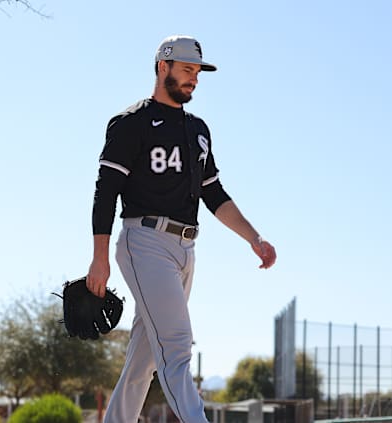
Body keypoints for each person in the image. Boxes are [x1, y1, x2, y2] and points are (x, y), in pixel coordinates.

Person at [86, 35, 277, 423]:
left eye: (197, 72)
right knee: (176, 348)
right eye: (187, 69)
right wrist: (100, 260)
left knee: (144, 359)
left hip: (185, 250)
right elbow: (105, 192)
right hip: (144, 241)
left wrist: (253, 238)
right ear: (163, 67)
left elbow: (214, 193)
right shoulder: (132, 123)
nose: (193, 78)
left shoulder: (198, 130)